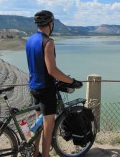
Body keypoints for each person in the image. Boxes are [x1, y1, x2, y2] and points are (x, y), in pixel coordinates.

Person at [26, 10, 82, 157]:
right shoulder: (48, 42)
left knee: (38, 123)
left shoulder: (30, 40)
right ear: (50, 24)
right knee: (48, 126)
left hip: (33, 87)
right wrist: (72, 81)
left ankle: (35, 153)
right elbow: (52, 70)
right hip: (46, 89)